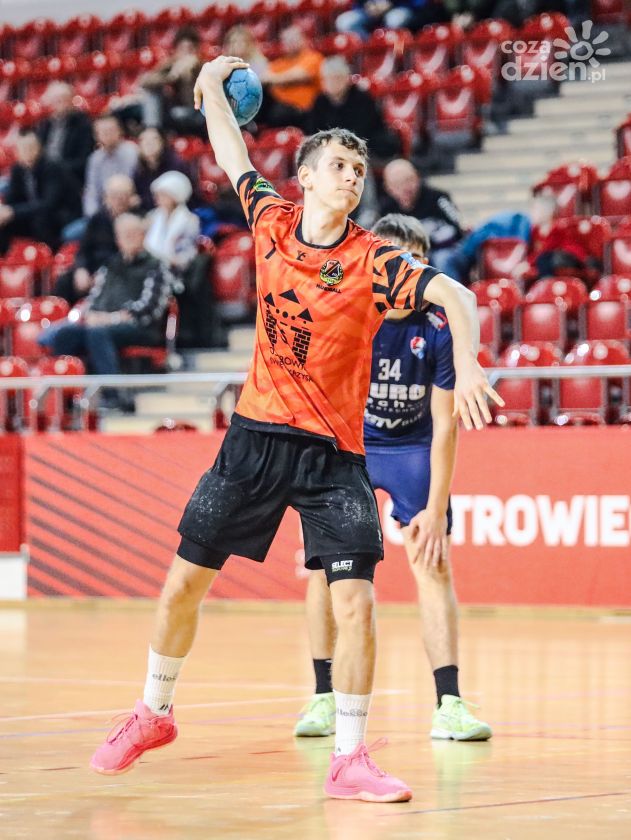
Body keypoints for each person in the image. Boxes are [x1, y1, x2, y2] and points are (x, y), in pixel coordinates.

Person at [89, 55, 502, 803]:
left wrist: (468, 364)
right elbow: (231, 153)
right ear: (305, 177)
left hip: (334, 456)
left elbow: (457, 294)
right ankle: (153, 713)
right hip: (253, 439)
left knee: (356, 600)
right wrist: (210, 88)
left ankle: (349, 757)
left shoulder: (375, 259)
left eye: (358, 169)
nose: (352, 177)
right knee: (183, 585)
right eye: (338, 165)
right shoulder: (271, 221)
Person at [294, 213, 492, 743]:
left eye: (412, 261)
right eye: (391, 260)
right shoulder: (349, 315)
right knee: (325, 571)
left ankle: (449, 704)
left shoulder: (438, 329)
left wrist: (435, 507)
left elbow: (445, 426)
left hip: (412, 448)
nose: (401, 272)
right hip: (351, 446)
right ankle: (323, 696)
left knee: (434, 562)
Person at [39, 213, 170, 381]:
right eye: (123, 235)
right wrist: (91, 314)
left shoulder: (156, 265)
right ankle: (65, 389)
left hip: (140, 327)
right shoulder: (110, 265)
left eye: (132, 234)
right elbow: (95, 297)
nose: (128, 239)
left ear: (143, 236)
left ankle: (112, 390)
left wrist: (110, 318)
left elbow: (150, 309)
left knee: (97, 333)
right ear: (117, 239)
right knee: (66, 334)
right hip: (103, 324)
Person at [53, 174, 141, 307]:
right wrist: (81, 269)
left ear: (131, 198)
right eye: (114, 196)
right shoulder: (98, 219)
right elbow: (83, 249)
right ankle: (61, 314)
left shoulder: (136, 221)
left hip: (119, 271)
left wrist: (103, 275)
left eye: (123, 196)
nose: (118, 200)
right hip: (93, 268)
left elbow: (131, 254)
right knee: (64, 281)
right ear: (106, 198)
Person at [0, 129, 82, 255]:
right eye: (23, 149)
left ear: (39, 148)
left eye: (31, 147)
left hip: (62, 214)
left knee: (41, 219)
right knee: (4, 221)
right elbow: (12, 198)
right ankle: (6, 259)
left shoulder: (52, 167)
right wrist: (5, 211)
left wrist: (14, 212)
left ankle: (49, 257)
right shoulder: (18, 170)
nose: (27, 152)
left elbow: (48, 203)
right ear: (17, 152)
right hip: (34, 213)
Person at [305, 57, 399, 161]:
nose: (332, 83)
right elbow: (314, 130)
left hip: (364, 148)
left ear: (346, 79)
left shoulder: (362, 98)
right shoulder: (320, 101)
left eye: (337, 78)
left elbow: (362, 131)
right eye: (327, 79)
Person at [380, 158, 464, 276]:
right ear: (388, 188)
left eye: (408, 180)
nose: (405, 188)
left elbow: (456, 229)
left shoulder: (438, 198)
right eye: (397, 184)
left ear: (417, 178)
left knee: (442, 259)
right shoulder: (386, 210)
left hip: (443, 250)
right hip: (409, 255)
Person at [139, 26, 204, 135]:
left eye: (190, 48)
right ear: (176, 50)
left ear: (196, 50)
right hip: (173, 112)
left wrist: (188, 74)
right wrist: (171, 77)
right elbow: (145, 82)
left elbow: (193, 102)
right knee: (152, 93)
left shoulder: (202, 66)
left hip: (197, 113)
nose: (186, 52)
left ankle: (153, 132)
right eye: (182, 48)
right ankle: (152, 132)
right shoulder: (171, 63)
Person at [259, 26, 324, 128]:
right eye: (286, 40)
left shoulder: (313, 57)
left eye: (294, 39)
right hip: (279, 108)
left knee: (278, 112)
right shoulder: (279, 63)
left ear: (303, 39)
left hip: (304, 110)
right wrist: (279, 79)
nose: (290, 43)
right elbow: (263, 78)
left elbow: (300, 75)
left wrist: (275, 79)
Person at [37, 81, 94, 186]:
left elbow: (84, 160)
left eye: (64, 99)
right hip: (46, 176)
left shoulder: (83, 125)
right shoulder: (44, 125)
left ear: (71, 101)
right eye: (56, 100)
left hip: (70, 177)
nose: (60, 103)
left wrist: (57, 169)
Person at [83, 115, 139, 218]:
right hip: (103, 211)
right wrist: (92, 216)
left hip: (128, 207)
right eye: (103, 132)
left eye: (110, 130)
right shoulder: (95, 158)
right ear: (96, 135)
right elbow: (92, 191)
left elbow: (127, 186)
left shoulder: (132, 152)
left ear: (120, 131)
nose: (107, 135)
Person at [144, 171, 200, 275]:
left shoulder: (190, 220)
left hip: (176, 271)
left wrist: (167, 260)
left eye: (163, 195)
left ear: (175, 196)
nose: (157, 198)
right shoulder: (152, 216)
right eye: (157, 195)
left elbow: (187, 253)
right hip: (150, 267)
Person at [133, 127, 190, 213]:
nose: (149, 143)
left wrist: (142, 201)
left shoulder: (175, 164)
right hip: (149, 213)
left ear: (162, 142)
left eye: (154, 139)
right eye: (143, 140)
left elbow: (173, 198)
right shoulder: (139, 169)